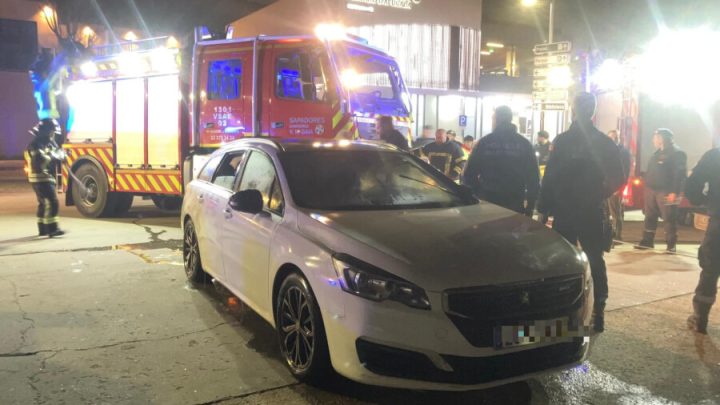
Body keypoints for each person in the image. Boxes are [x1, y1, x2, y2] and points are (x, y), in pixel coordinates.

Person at [537, 93, 626, 332]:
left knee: (562, 261)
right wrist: (598, 195)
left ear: (573, 109)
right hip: (590, 210)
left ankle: (563, 311)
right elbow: (618, 177)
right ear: (593, 112)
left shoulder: (563, 140)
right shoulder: (604, 142)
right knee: (595, 259)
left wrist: (543, 209)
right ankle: (598, 310)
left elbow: (550, 177)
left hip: (565, 210)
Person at [462, 105, 540, 216]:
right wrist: (530, 206)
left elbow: (468, 175)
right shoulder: (524, 144)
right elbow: (533, 178)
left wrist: (479, 193)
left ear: (496, 120)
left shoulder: (484, 143)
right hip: (514, 202)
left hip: (488, 202)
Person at [684, 147, 720, 334]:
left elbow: (692, 183)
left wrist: (704, 200)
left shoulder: (715, 155)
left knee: (711, 268)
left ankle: (700, 318)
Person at [635, 128, 687, 253]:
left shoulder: (677, 153)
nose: (654, 140)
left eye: (656, 137)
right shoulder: (657, 153)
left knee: (669, 218)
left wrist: (674, 192)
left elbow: (679, 174)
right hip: (652, 190)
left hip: (666, 191)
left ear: (662, 138)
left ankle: (671, 245)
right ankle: (647, 241)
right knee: (650, 216)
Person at [25, 118, 65, 237]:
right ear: (46, 131)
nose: (53, 134)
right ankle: (52, 229)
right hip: (41, 177)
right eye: (52, 132)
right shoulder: (36, 144)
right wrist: (54, 156)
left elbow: (59, 152)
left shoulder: (49, 142)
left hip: (46, 177)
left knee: (43, 203)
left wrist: (62, 156)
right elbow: (40, 159)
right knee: (52, 202)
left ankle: (42, 229)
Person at [606, 129, 632, 241]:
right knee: (606, 211)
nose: (613, 139)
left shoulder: (623, 152)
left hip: (615, 187)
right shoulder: (606, 150)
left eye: (615, 137)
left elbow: (625, 171)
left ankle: (617, 235)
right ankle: (608, 233)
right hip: (605, 186)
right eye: (611, 137)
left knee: (615, 211)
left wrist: (619, 187)